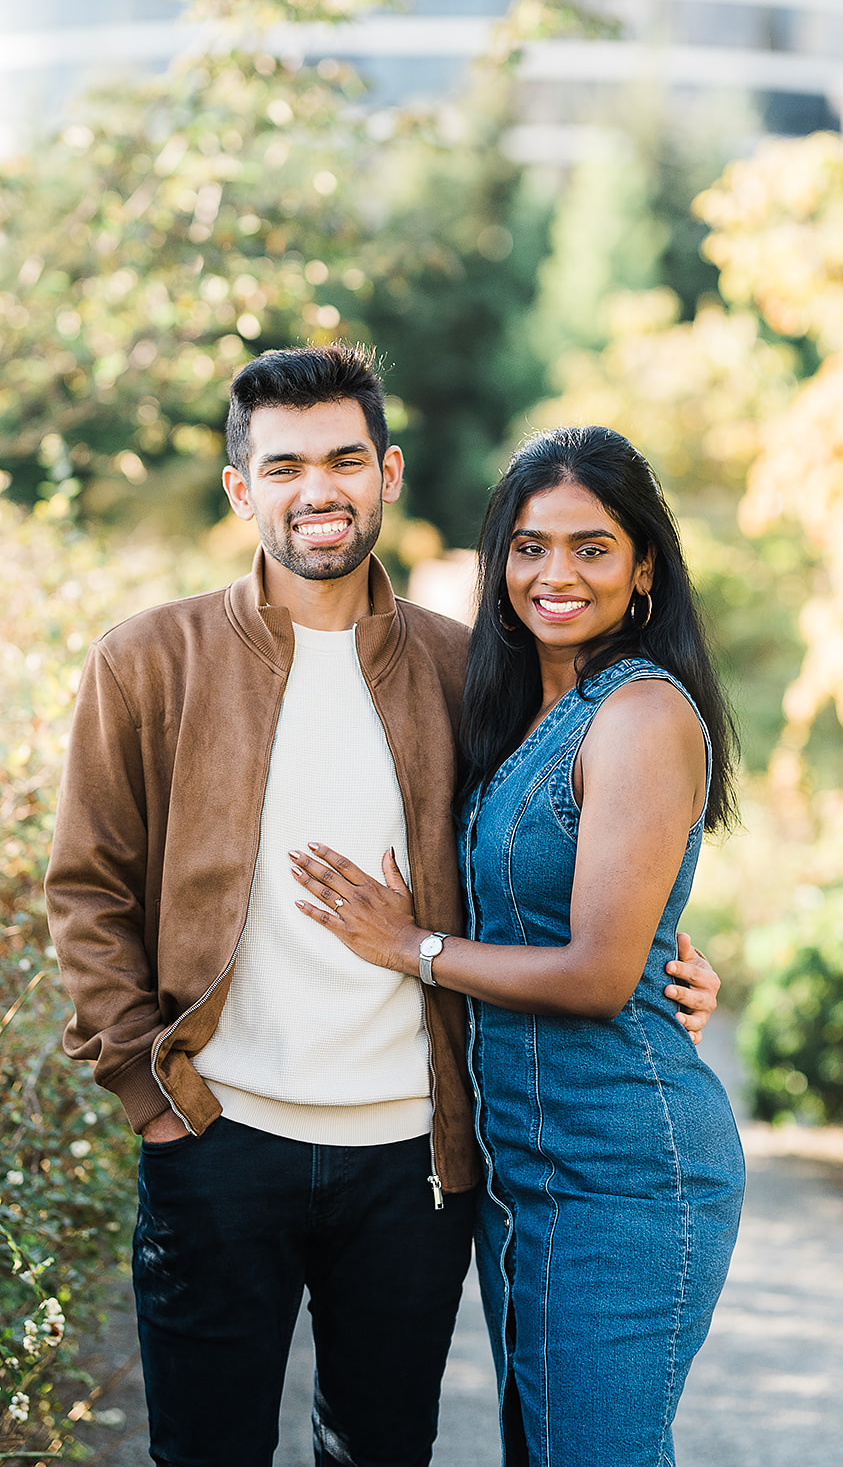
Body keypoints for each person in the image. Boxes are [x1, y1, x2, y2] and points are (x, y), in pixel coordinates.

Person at [45, 347, 722, 1467]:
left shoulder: (467, 672)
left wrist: (668, 958)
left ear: (388, 472)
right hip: (218, 1140)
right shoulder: (147, 662)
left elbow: (569, 851)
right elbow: (87, 887)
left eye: (344, 459)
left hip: (414, 1162)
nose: (319, 488)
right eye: (286, 465)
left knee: (380, 1452)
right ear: (239, 488)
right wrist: (147, 1097)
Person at [290, 424, 746, 1467]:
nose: (555, 574)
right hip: (522, 1168)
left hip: (624, 1170)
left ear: (642, 573)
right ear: (498, 565)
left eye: (591, 548)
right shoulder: (521, 713)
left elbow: (593, 974)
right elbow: (575, 902)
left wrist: (413, 945)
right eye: (530, 546)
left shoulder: (636, 712)